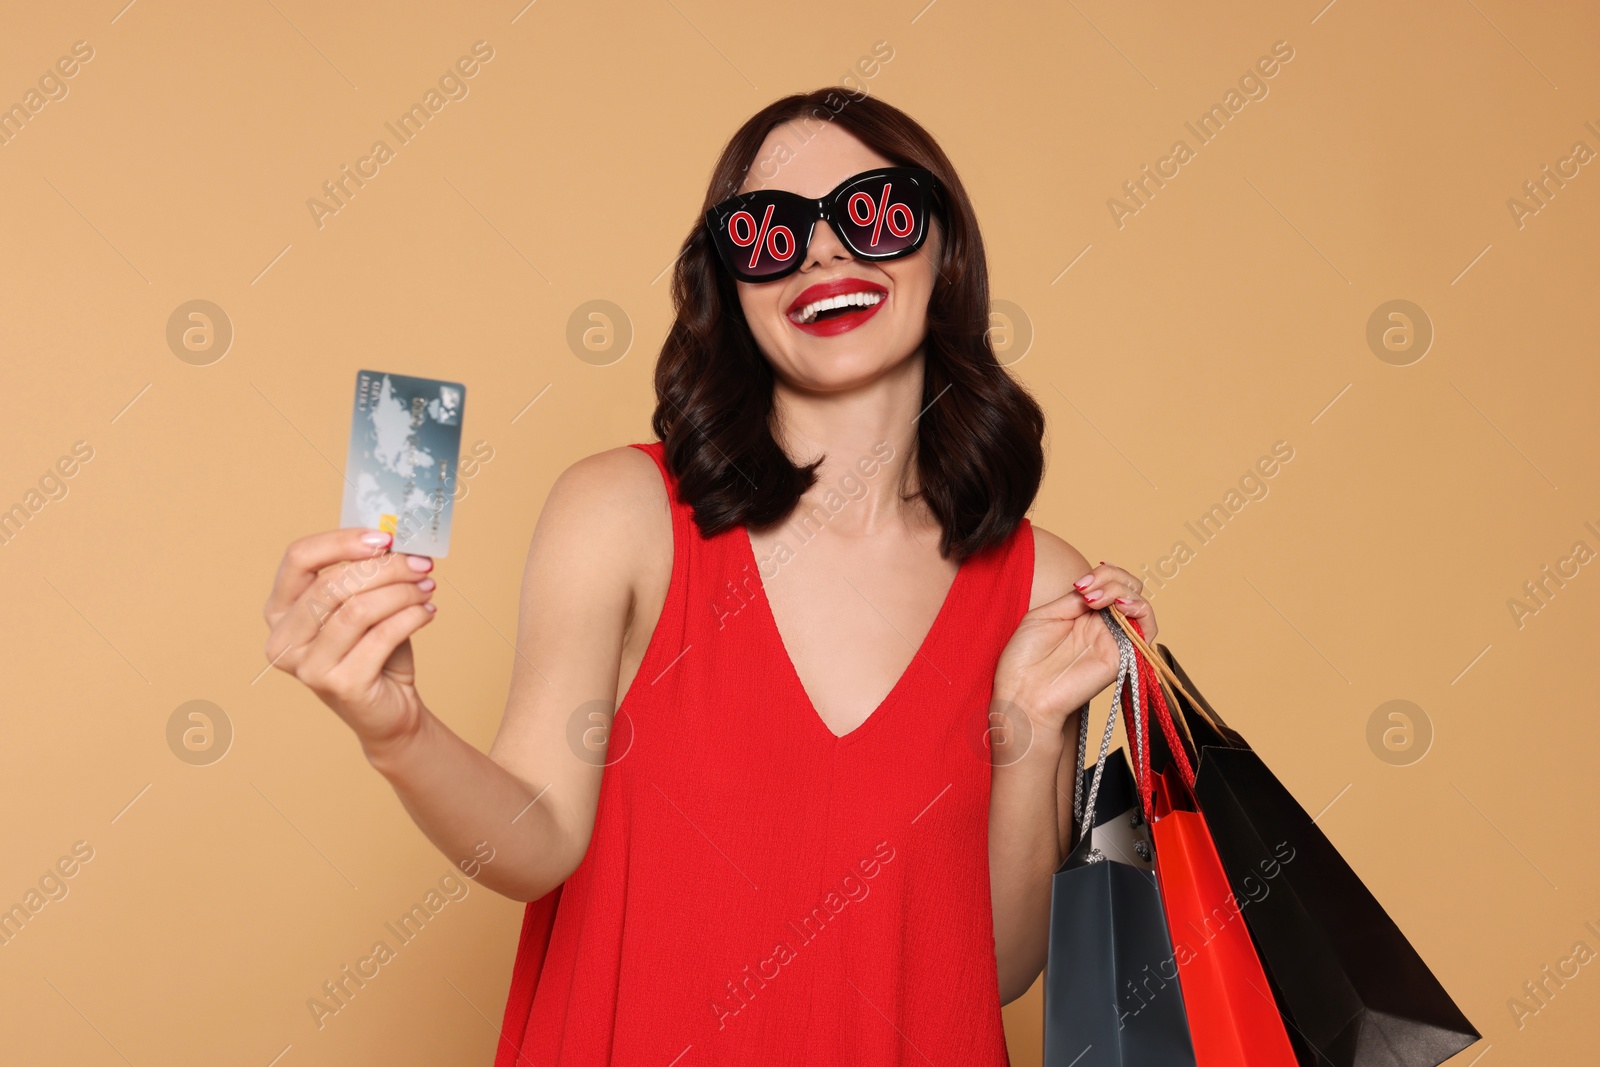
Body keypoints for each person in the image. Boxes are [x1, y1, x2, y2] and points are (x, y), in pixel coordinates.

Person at [261, 88, 1158, 1065]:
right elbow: (537, 842)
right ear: (727, 288)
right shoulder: (622, 513)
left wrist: (1026, 730)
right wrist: (397, 731)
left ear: (943, 250)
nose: (820, 253)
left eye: (873, 212)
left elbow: (986, 970)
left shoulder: (1037, 586)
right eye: (766, 234)